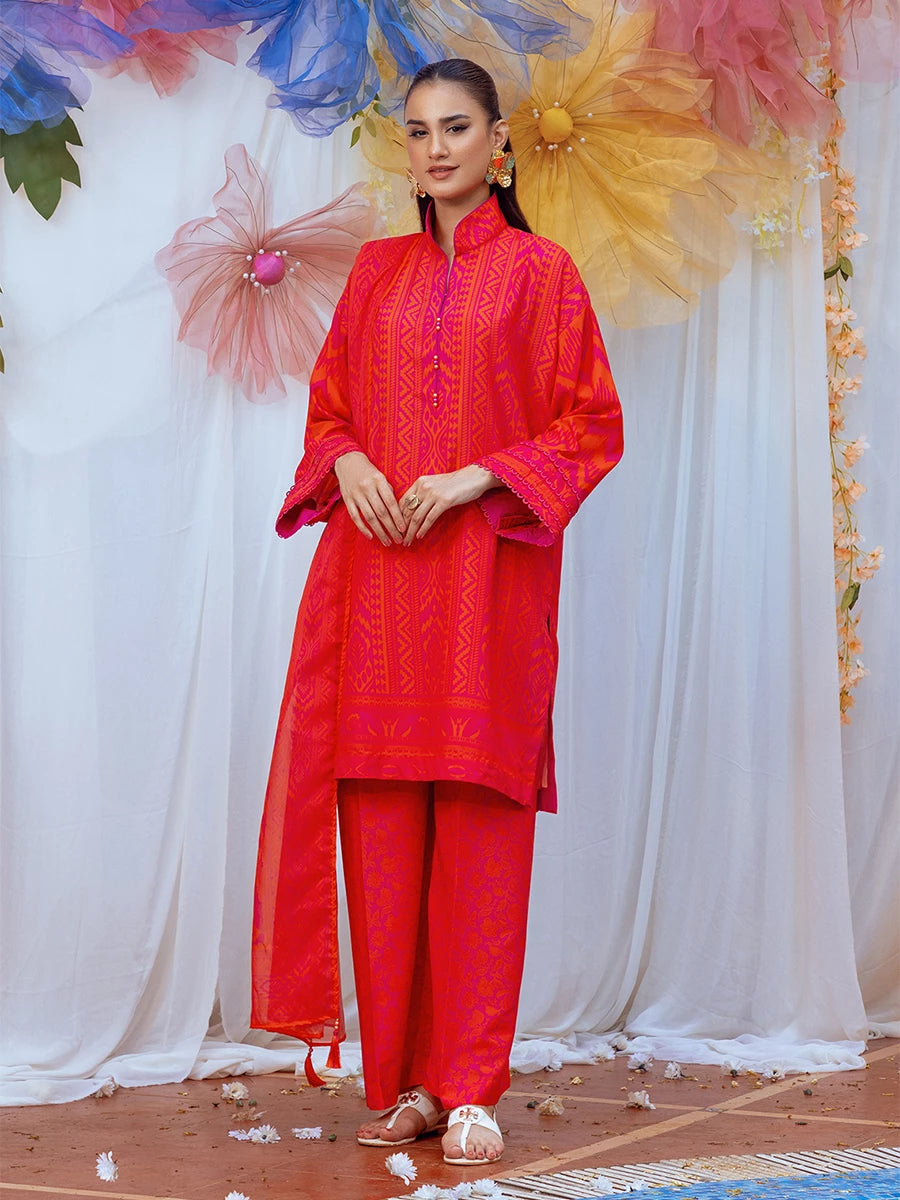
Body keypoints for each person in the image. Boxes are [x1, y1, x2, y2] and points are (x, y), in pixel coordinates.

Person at [251, 57, 624, 1166]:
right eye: (418, 132)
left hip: (485, 595)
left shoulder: (544, 276)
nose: (437, 148)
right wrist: (350, 461)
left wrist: (477, 476)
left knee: (479, 840)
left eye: (456, 127)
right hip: (375, 595)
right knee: (379, 843)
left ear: (499, 143)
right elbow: (329, 408)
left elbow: (591, 426)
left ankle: (471, 1088)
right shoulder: (377, 274)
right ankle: (409, 1082)